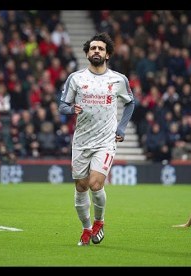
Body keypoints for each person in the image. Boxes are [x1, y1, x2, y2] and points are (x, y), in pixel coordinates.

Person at [58, 32, 135, 246]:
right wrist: (72, 108)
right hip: (81, 141)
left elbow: (130, 103)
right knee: (81, 186)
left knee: (95, 183)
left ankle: (99, 221)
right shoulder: (76, 78)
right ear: (87, 53)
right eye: (93, 48)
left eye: (100, 49)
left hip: (105, 140)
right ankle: (86, 227)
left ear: (107, 54)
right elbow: (62, 106)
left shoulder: (118, 79)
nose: (96, 51)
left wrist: (121, 127)